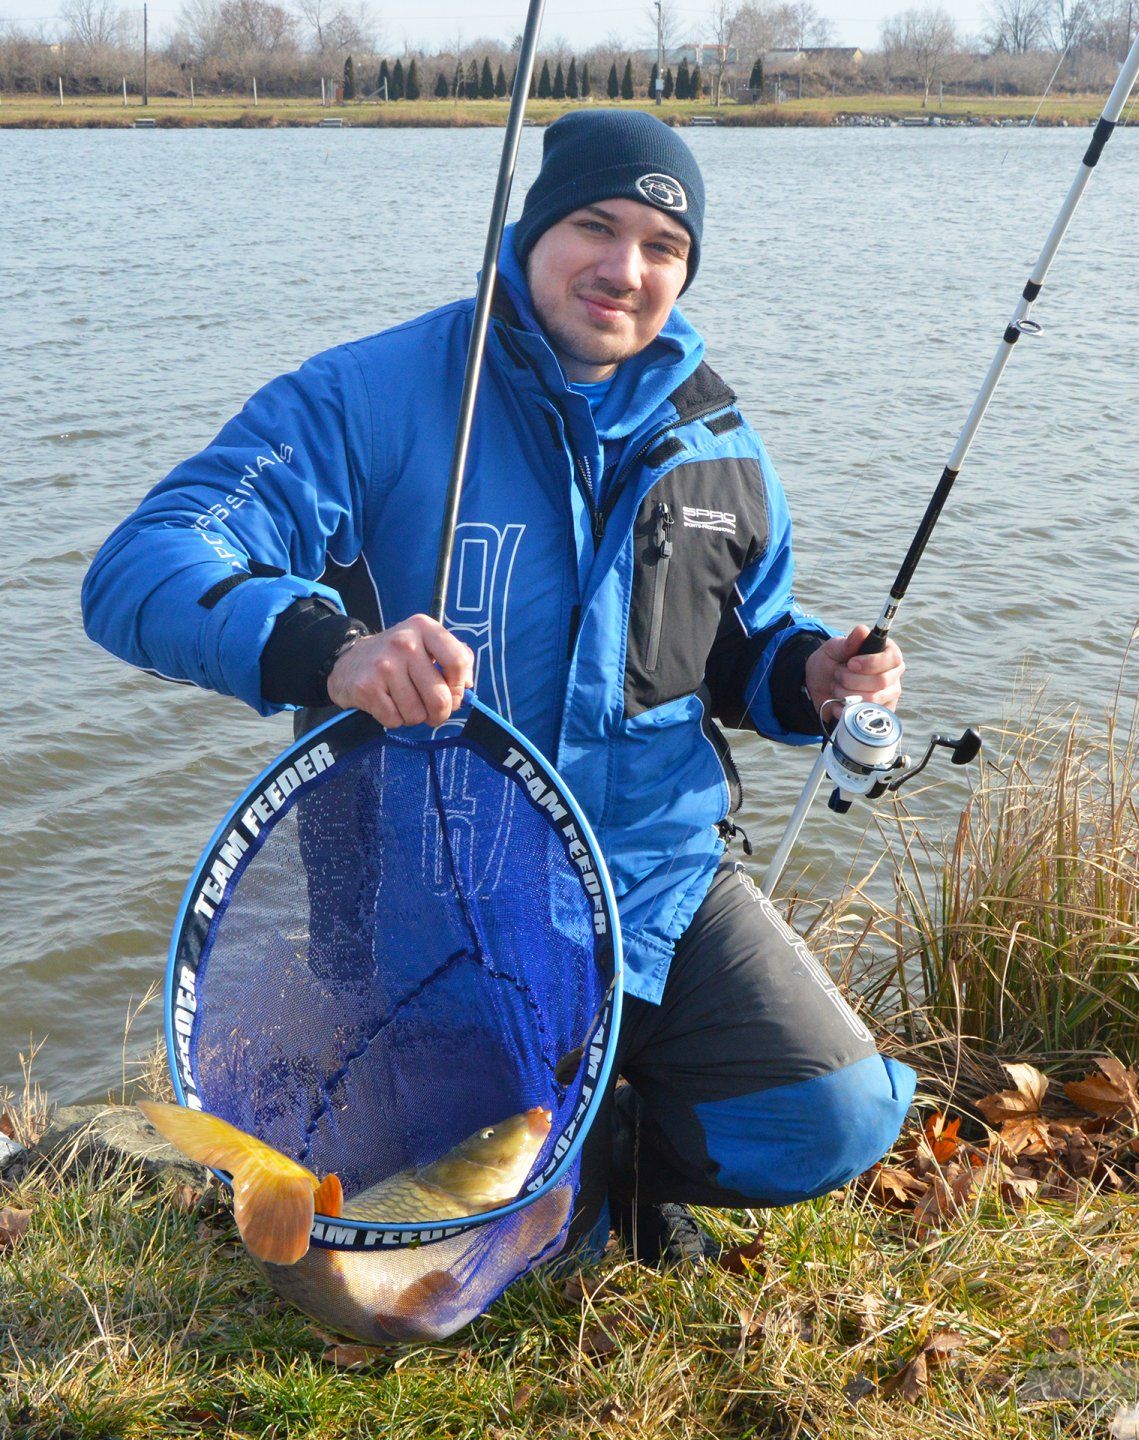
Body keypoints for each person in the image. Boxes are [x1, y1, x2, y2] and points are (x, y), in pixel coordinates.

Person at [82, 110, 915, 1266]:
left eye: (663, 247)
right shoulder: (370, 396)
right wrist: (332, 648)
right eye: (594, 226)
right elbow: (143, 564)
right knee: (389, 1218)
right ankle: (537, 1161)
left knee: (833, 1116)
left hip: (653, 888)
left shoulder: (717, 438)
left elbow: (733, 651)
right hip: (424, 913)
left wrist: (809, 674)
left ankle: (610, 1163)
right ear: (530, 231)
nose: (625, 269)